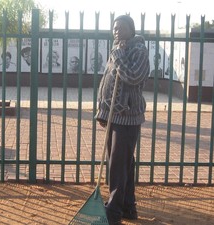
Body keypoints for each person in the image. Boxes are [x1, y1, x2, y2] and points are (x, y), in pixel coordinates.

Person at [95, 15, 150, 225]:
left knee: (118, 164)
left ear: (131, 29)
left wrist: (118, 56)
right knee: (123, 163)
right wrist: (103, 112)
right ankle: (128, 207)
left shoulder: (139, 51)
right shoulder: (117, 48)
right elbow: (107, 82)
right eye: (114, 28)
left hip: (128, 117)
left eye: (121, 27)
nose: (116, 31)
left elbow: (134, 76)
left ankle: (114, 212)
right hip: (114, 116)